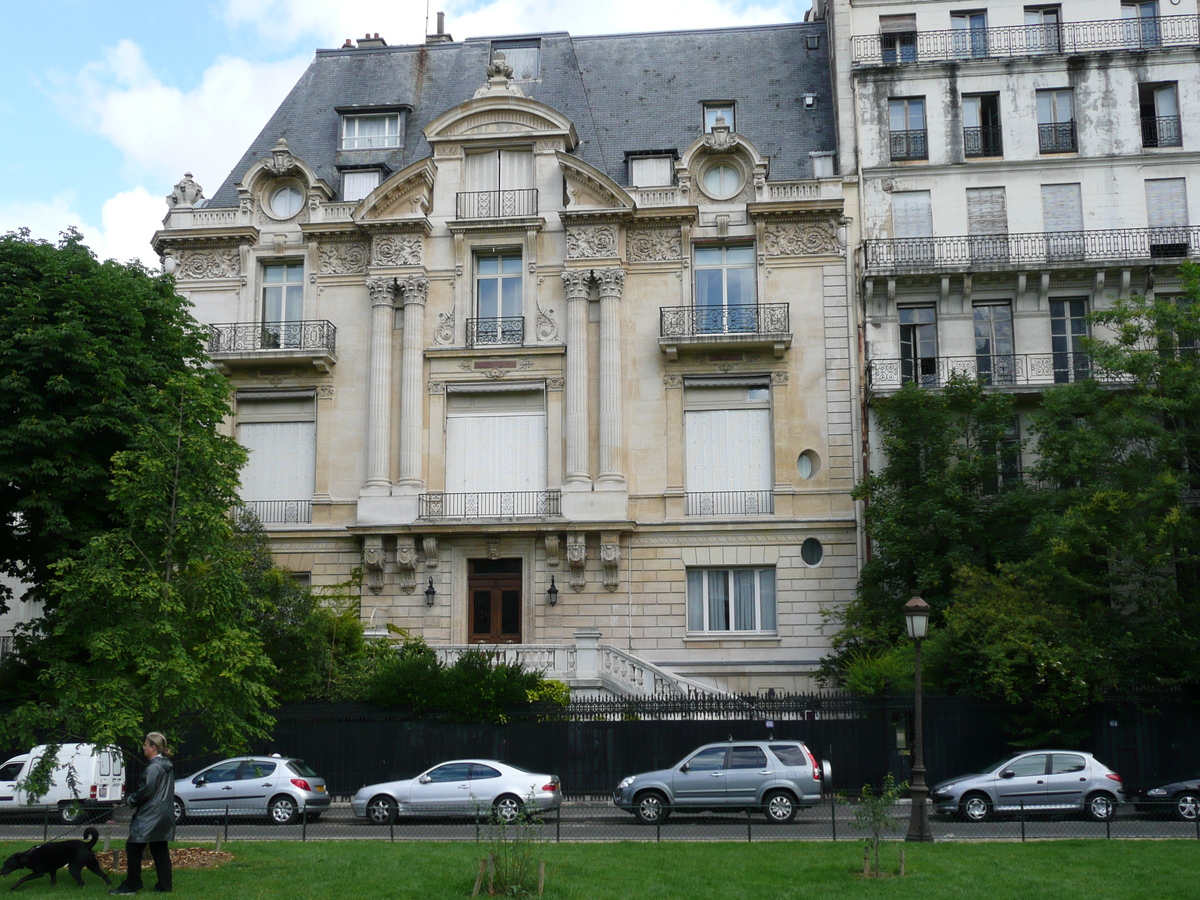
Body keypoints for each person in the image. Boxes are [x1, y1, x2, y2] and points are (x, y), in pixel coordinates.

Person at [111, 732, 174, 895]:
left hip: (150, 815)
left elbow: (146, 790)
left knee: (132, 847)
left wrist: (131, 800)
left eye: (146, 744)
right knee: (160, 849)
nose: (144, 748)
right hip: (164, 814)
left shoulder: (153, 767)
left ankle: (132, 884)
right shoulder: (167, 765)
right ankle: (165, 886)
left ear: (153, 747)